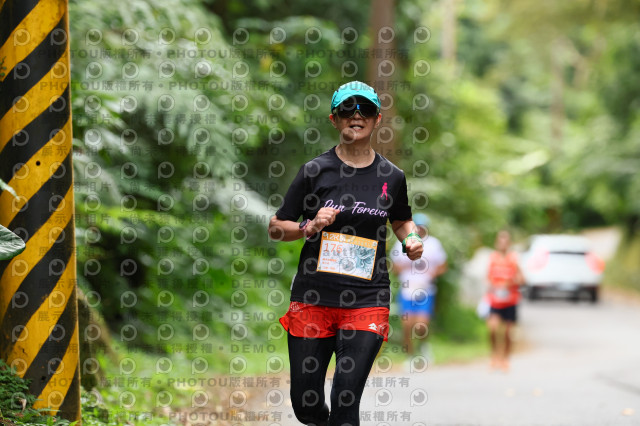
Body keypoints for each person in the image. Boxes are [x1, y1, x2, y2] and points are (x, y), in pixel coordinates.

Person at [268, 81, 424, 426]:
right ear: (334, 119)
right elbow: (276, 226)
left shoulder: (392, 176)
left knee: (345, 401)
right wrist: (308, 226)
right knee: (307, 405)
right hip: (314, 297)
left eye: (365, 109)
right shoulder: (315, 171)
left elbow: (401, 219)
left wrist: (411, 239)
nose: (357, 115)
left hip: (367, 299)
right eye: (347, 109)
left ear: (377, 119)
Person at [390, 213, 447, 357]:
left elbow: (442, 266)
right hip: (407, 290)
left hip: (425, 290)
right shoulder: (402, 242)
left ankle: (423, 346)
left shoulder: (433, 244)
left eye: (422, 227)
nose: (419, 229)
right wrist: (405, 267)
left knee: (422, 324)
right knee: (407, 325)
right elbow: (394, 266)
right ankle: (410, 355)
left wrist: (431, 274)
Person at [485, 230, 524, 372]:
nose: (503, 244)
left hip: (510, 300)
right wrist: (493, 287)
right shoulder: (493, 258)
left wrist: (510, 283)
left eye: (505, 241)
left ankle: (505, 359)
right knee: (492, 328)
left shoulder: (514, 259)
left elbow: (522, 279)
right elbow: (488, 278)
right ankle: (495, 355)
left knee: (508, 332)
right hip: (495, 301)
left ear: (509, 243)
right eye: (500, 241)